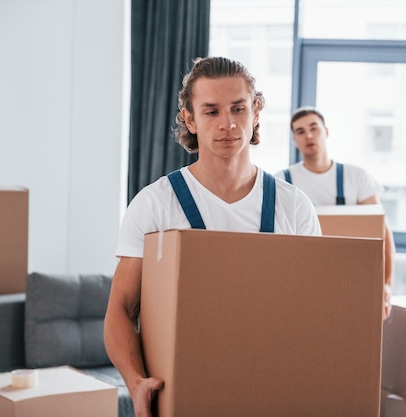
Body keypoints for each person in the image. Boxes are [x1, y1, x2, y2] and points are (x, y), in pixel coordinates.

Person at [103, 57, 321, 417]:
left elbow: (313, 311)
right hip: (185, 397)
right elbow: (121, 310)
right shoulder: (155, 204)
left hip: (273, 396)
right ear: (190, 119)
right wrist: (135, 382)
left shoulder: (294, 206)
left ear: (256, 111)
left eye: (238, 108)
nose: (228, 124)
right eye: (211, 111)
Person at [275, 106, 395, 318]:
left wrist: (386, 284)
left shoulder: (356, 177)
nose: (309, 135)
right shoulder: (283, 182)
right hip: (302, 282)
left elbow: (382, 234)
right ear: (295, 139)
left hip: (353, 278)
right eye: (300, 131)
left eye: (314, 128)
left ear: (326, 132)